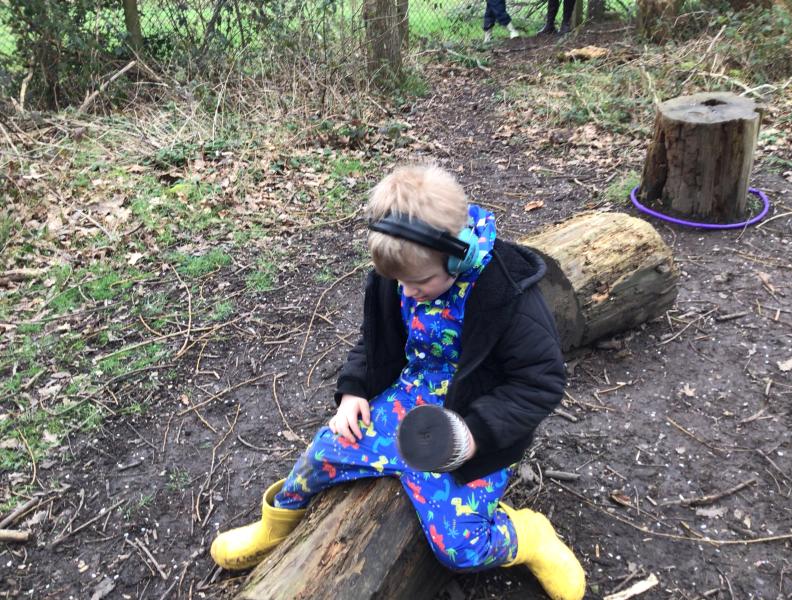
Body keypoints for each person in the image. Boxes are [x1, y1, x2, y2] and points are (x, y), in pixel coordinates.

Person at [209, 165, 585, 600]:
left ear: (458, 256)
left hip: (472, 426)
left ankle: (528, 536)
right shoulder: (400, 275)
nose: (406, 293)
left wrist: (475, 435)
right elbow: (375, 340)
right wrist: (354, 389)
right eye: (398, 282)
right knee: (320, 455)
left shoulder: (508, 294)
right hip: (407, 402)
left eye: (419, 282)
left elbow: (539, 383)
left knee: (460, 548)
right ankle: (275, 527)